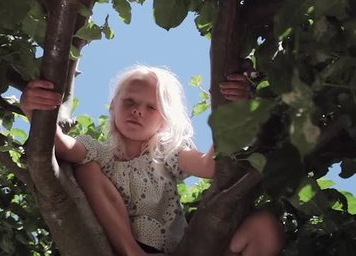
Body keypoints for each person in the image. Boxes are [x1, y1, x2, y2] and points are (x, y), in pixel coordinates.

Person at [20, 65, 283, 256]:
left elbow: (210, 165)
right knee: (87, 169)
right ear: (113, 106)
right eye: (130, 101)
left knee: (265, 226)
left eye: (151, 107)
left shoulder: (168, 153)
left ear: (164, 120)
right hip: (126, 248)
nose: (138, 110)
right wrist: (34, 111)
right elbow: (63, 146)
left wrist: (235, 111)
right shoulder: (100, 153)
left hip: (182, 250)